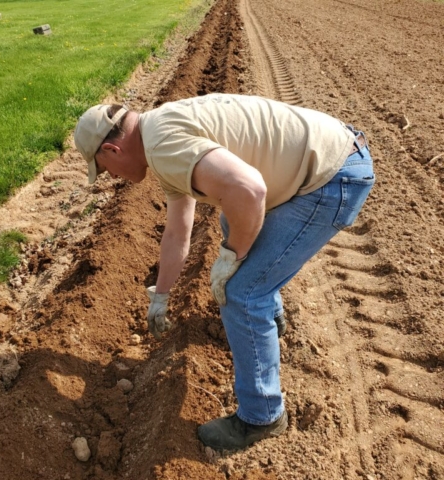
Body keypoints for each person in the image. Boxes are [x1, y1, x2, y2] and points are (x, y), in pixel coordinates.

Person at [74, 93, 375, 452]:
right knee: (231, 219)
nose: (112, 177)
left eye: (105, 169)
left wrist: (233, 256)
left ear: (112, 150)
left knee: (244, 294)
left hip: (331, 177)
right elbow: (177, 232)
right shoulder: (159, 131)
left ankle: (261, 417)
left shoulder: (164, 147)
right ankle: (271, 322)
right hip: (336, 153)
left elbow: (249, 188)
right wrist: (162, 295)